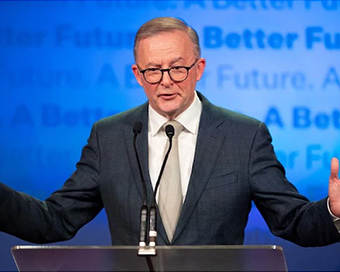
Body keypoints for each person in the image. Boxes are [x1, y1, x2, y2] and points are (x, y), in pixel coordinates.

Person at [0, 17, 340, 247]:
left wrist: (334, 211)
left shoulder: (245, 136)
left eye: (177, 68)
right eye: (152, 70)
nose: (165, 81)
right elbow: (55, 220)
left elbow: (293, 221)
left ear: (199, 68)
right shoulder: (110, 136)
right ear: (137, 73)